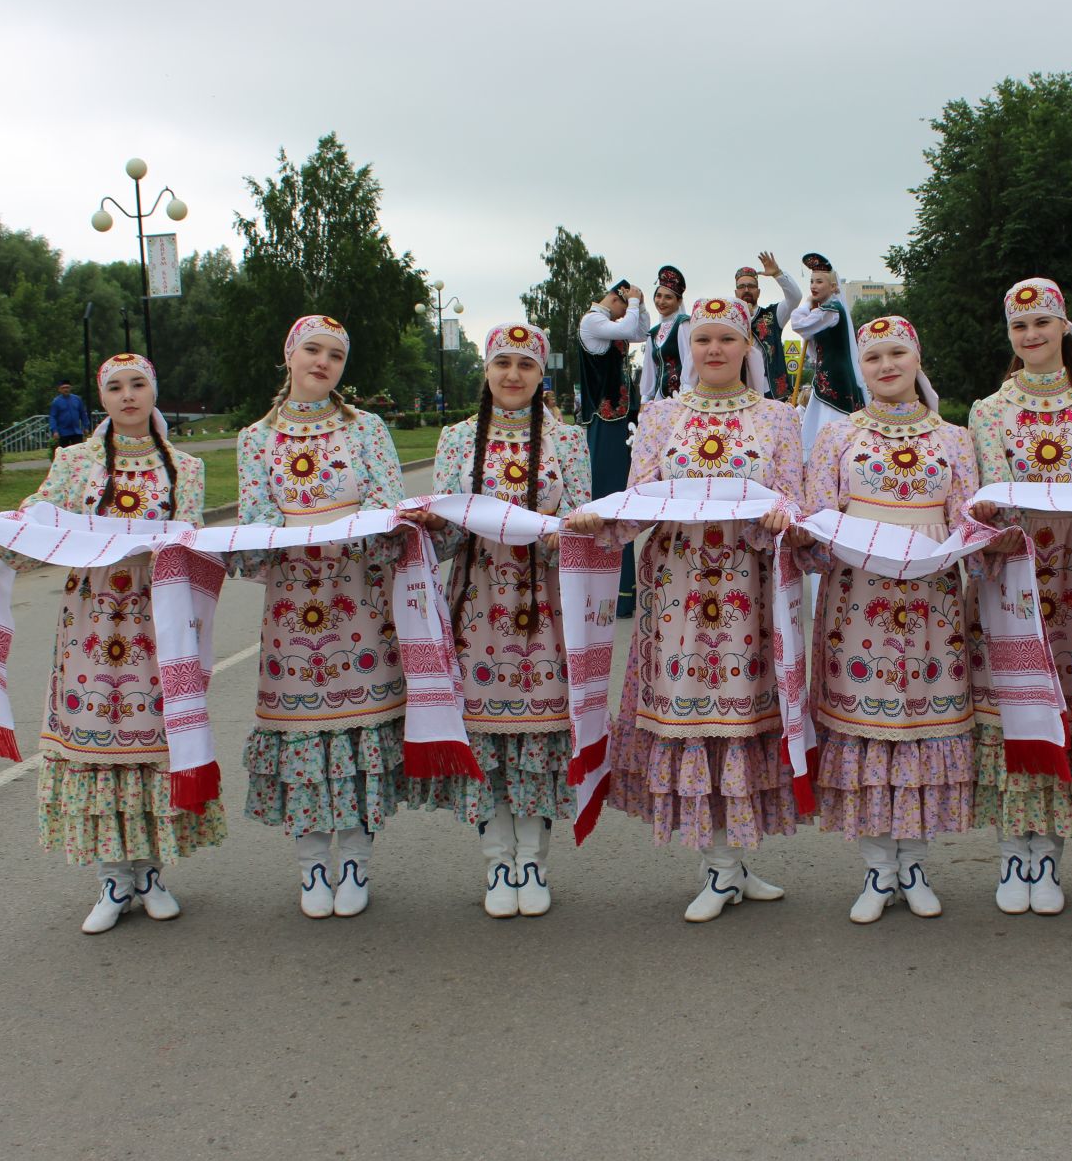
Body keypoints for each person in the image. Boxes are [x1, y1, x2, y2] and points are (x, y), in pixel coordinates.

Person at [0, 354, 222, 934]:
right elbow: (33, 524)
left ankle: (152, 873)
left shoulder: (185, 466)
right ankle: (113, 878)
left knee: (154, 737)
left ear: (153, 393)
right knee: (96, 738)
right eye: (115, 387)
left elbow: (192, 538)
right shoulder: (74, 462)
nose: (128, 395)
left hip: (156, 620)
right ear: (99, 398)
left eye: (138, 385)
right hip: (90, 618)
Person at [562, 296, 805, 923]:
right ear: (687, 349)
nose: (715, 350)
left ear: (748, 347)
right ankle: (721, 869)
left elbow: (796, 503)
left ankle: (731, 866)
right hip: (677, 593)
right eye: (703, 340)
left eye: (727, 339)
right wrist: (603, 513)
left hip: (749, 592)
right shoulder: (662, 415)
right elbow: (642, 497)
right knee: (695, 719)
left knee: (745, 720)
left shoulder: (777, 418)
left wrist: (785, 518)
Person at [406, 324, 590, 919]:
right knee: (484, 737)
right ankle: (495, 859)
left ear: (542, 375)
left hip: (544, 611)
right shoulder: (458, 439)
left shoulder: (569, 440)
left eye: (526, 365)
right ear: (486, 370)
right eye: (503, 363)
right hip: (475, 605)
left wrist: (564, 531)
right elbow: (450, 535)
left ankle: (532, 859)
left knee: (538, 735)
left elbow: (583, 530)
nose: (513, 375)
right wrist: (435, 526)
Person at [236, 315, 412, 920]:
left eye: (336, 355)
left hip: (359, 600)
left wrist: (368, 529)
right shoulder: (255, 438)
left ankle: (357, 860)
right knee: (302, 736)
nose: (323, 362)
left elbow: (390, 508)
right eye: (312, 350)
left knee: (360, 734)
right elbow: (257, 523)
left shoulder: (367, 428)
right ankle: (313, 863)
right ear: (289, 355)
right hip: (290, 609)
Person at [804, 315, 978, 923]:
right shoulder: (836, 438)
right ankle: (879, 868)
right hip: (857, 603)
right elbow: (816, 523)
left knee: (923, 732)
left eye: (896, 353)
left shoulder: (954, 439)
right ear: (861, 367)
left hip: (933, 606)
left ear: (917, 356)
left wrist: (980, 544)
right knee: (868, 731)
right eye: (873, 357)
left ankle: (916, 864)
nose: (885, 366)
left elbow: (967, 521)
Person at [965, 277, 1072, 917]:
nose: (1031, 336)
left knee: (1060, 704)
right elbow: (982, 498)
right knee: (1012, 705)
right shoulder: (988, 410)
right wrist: (989, 529)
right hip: (1013, 577)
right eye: (1020, 327)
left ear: (1066, 327)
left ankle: (1049, 854)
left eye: (1042, 324)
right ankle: (1012, 851)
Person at [579, 279, 648, 618]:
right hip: (605, 421)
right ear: (616, 299)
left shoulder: (612, 324)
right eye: (627, 303)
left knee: (622, 502)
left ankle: (622, 593)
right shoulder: (593, 321)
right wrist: (633, 305)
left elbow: (639, 333)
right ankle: (608, 591)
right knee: (610, 502)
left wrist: (639, 305)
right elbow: (631, 327)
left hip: (618, 420)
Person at [788, 253, 867, 455]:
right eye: (812, 281)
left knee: (831, 418)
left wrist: (806, 304)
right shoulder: (826, 310)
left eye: (820, 281)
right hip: (826, 377)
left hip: (835, 379)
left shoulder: (831, 310)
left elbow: (798, 324)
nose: (814, 286)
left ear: (833, 287)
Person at [734, 253, 803, 400]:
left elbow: (795, 298)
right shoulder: (730, 321)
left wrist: (778, 274)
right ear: (736, 293)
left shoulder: (772, 315)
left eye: (751, 286)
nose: (746, 290)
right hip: (737, 392)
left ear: (758, 292)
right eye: (742, 287)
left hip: (770, 392)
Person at [641, 266, 691, 403]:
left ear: (679, 301)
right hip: (659, 401)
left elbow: (689, 360)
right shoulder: (653, 332)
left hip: (681, 398)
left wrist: (686, 397)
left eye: (668, 297)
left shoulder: (683, 324)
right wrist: (645, 400)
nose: (661, 302)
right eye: (658, 296)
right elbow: (649, 370)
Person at [49, 379, 90, 449]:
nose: (66, 389)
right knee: (65, 454)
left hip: (76, 431)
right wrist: (54, 431)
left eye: (67, 387)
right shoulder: (56, 402)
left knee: (78, 452)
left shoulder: (77, 399)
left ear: (71, 388)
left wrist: (86, 426)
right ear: (59, 389)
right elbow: (53, 417)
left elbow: (82, 413)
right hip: (63, 432)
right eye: (63, 388)